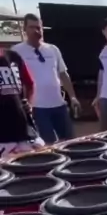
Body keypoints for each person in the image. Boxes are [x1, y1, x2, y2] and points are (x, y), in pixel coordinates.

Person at [12, 13, 80, 144]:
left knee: (70, 142)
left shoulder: (53, 49)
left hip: (59, 104)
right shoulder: (16, 52)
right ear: (24, 29)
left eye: (39, 27)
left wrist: (73, 97)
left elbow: (63, 74)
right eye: (32, 27)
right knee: (48, 144)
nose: (36, 31)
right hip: (37, 108)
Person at [0, 47, 45, 158]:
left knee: (38, 161)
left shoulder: (13, 56)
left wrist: (29, 103)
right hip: (3, 136)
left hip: (23, 128)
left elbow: (30, 83)